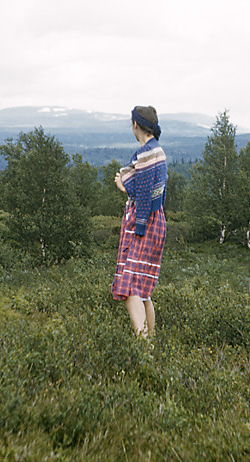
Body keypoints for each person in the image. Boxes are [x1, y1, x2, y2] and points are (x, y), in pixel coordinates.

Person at [112, 105, 168, 339]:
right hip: (158, 221)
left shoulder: (146, 154)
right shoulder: (159, 152)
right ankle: (151, 343)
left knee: (130, 288)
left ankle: (143, 346)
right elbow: (159, 194)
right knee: (143, 289)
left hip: (143, 224)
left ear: (135, 124)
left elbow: (143, 194)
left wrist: (124, 186)